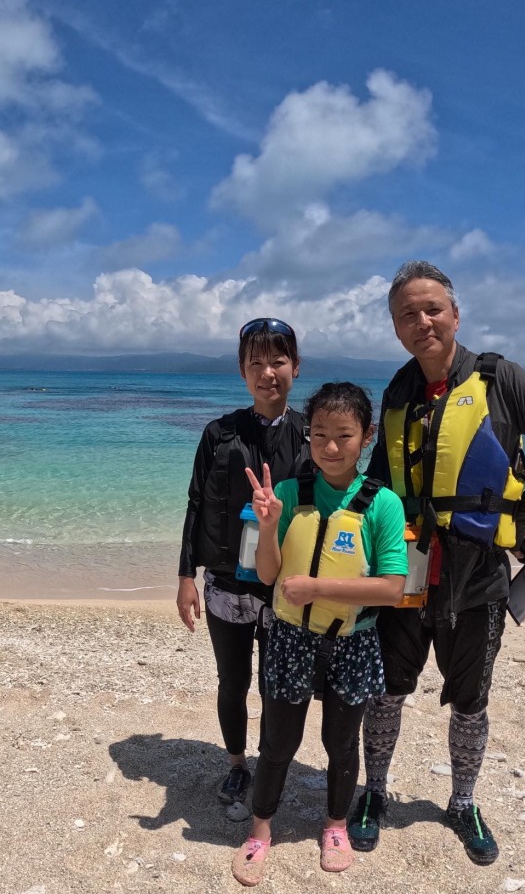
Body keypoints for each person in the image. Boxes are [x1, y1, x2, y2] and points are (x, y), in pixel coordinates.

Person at [347, 260, 525, 865]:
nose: (421, 321)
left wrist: (516, 520)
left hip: (476, 579)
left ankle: (462, 801)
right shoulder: (398, 390)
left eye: (432, 309)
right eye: (408, 313)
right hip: (404, 571)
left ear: (455, 315)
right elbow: (380, 481)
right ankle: (374, 794)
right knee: (388, 693)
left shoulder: (500, 379)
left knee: (472, 700)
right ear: (396, 328)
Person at [231, 383, 407, 885]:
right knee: (278, 740)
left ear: (367, 438)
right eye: (320, 435)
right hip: (290, 636)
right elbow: (267, 576)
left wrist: (317, 587)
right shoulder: (287, 493)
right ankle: (261, 828)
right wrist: (268, 528)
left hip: (352, 641)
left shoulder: (382, 504)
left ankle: (334, 825)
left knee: (341, 742)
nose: (330, 447)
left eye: (344, 435)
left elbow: (393, 588)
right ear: (308, 436)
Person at [177, 318, 309, 805]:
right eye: (256, 362)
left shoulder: (311, 437)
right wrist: (186, 576)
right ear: (241, 371)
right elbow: (195, 504)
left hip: (283, 587)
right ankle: (236, 763)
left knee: (277, 686)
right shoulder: (219, 433)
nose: (267, 372)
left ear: (295, 367)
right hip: (226, 585)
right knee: (232, 681)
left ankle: (271, 765)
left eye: (277, 361)